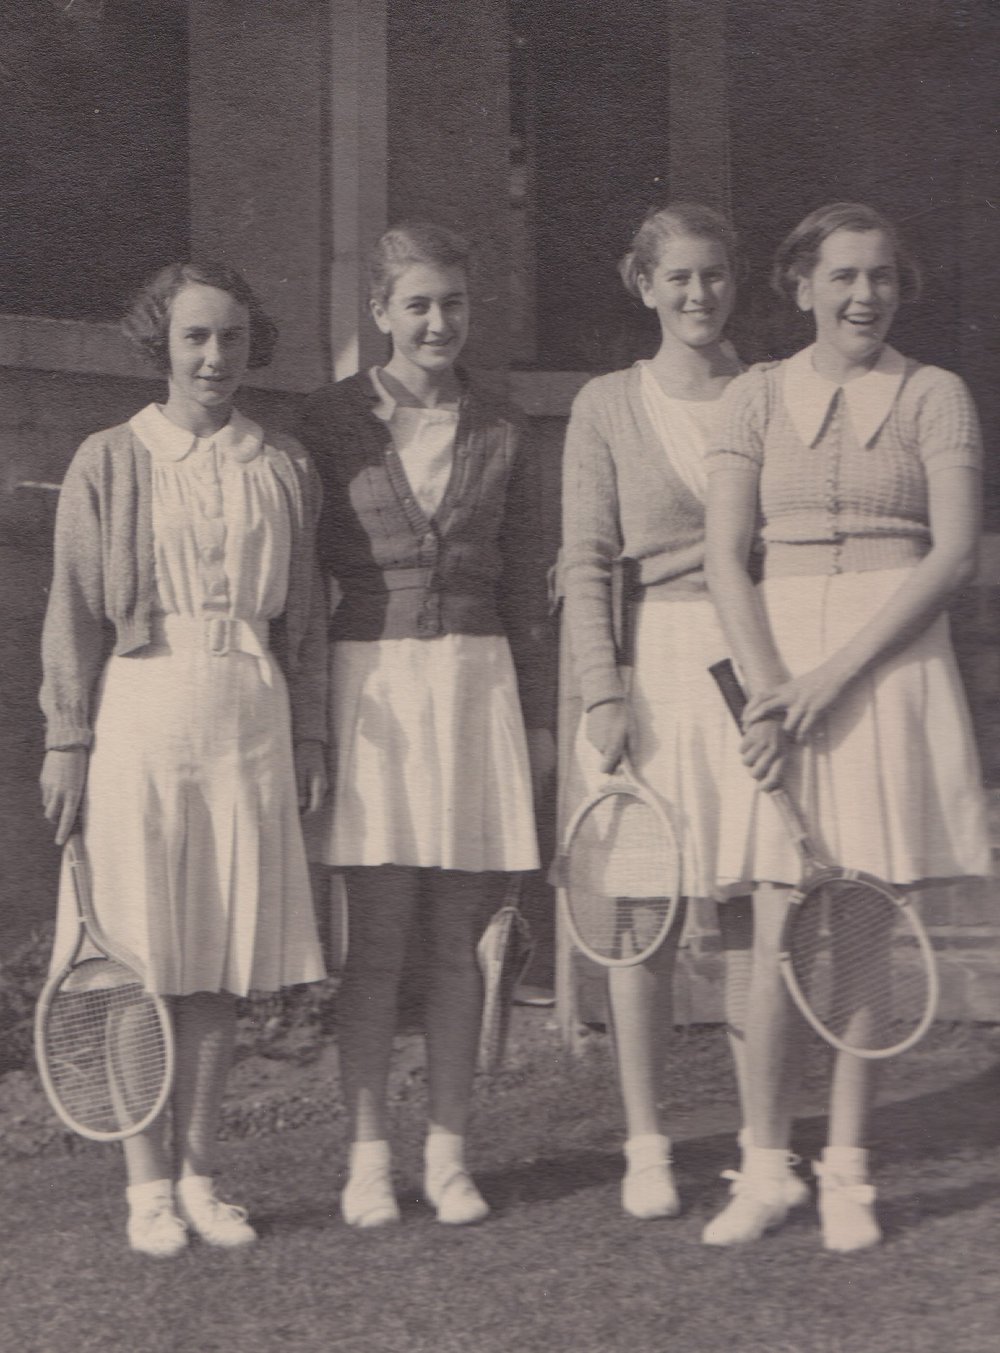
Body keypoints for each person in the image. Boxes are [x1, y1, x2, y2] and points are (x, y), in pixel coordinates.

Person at [703, 202, 991, 1251]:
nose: (862, 295)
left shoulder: (933, 395)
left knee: (863, 924)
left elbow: (951, 555)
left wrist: (831, 675)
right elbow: (727, 553)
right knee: (779, 922)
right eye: (842, 277)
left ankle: (849, 1171)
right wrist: (772, 687)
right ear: (800, 285)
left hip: (886, 664)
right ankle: (767, 1165)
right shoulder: (751, 397)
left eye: (879, 277)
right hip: (774, 667)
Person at [39, 262, 329, 1258]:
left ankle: (203, 1174)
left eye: (234, 339)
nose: (216, 358)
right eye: (197, 338)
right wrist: (68, 741)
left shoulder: (282, 462)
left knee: (219, 964)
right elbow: (74, 612)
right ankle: (146, 1187)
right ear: (161, 342)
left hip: (247, 716)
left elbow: (307, 626)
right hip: (142, 717)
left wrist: (308, 732)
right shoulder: (111, 460)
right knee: (139, 964)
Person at [298, 222, 553, 1228]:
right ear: (380, 313)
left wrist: (537, 724)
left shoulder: (504, 423)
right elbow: (299, 585)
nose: (438, 322)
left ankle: (448, 1154)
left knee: (459, 941)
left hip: (476, 687)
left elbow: (530, 585)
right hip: (374, 694)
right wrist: (308, 717)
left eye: (452, 303)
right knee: (378, 944)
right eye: (417, 305)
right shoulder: (327, 423)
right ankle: (367, 1158)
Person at [559, 203, 807, 1220]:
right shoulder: (604, 405)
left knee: (761, 908)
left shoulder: (775, 393)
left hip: (760, 659)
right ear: (643, 284)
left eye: (714, 276)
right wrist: (604, 692)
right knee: (642, 920)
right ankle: (648, 1144)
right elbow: (582, 562)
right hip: (652, 666)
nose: (698, 296)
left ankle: (764, 1152)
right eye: (678, 279)